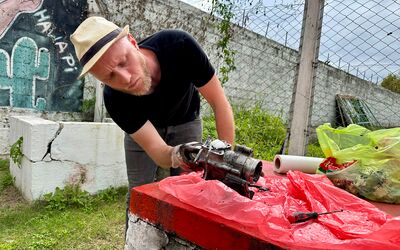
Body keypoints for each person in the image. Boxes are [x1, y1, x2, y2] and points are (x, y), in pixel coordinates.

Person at [70, 16, 235, 233]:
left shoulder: (179, 46)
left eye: (123, 61)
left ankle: (182, 241)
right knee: (139, 192)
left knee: (191, 190)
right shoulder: (114, 99)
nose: (125, 78)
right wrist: (177, 153)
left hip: (186, 119)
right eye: (110, 76)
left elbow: (219, 101)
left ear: (132, 41)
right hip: (145, 133)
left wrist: (226, 160)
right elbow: (158, 152)